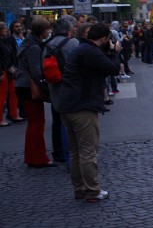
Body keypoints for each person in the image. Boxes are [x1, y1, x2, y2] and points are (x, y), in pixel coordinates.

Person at [57, 23, 121, 201]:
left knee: (76, 151)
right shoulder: (91, 52)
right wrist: (115, 52)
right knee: (88, 150)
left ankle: (80, 188)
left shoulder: (81, 48)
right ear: (104, 38)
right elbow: (112, 68)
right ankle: (92, 190)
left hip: (68, 103)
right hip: (83, 105)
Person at [15, 18, 55, 167]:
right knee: (37, 124)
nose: (49, 31)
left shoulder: (29, 44)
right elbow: (37, 72)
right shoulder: (34, 47)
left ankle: (32, 156)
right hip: (28, 87)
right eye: (47, 29)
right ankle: (39, 157)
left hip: (23, 86)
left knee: (34, 124)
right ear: (42, 31)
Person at [45, 15, 79, 163]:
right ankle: (71, 155)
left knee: (57, 122)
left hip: (55, 89)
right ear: (70, 29)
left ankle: (59, 152)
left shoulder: (48, 44)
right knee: (72, 125)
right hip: (72, 88)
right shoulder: (73, 43)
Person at [0, 22, 22, 126]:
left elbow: (10, 55)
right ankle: (0, 119)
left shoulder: (5, 41)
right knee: (2, 96)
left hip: (9, 69)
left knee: (13, 93)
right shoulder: (4, 42)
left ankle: (14, 114)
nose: (6, 30)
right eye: (4, 29)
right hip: (3, 70)